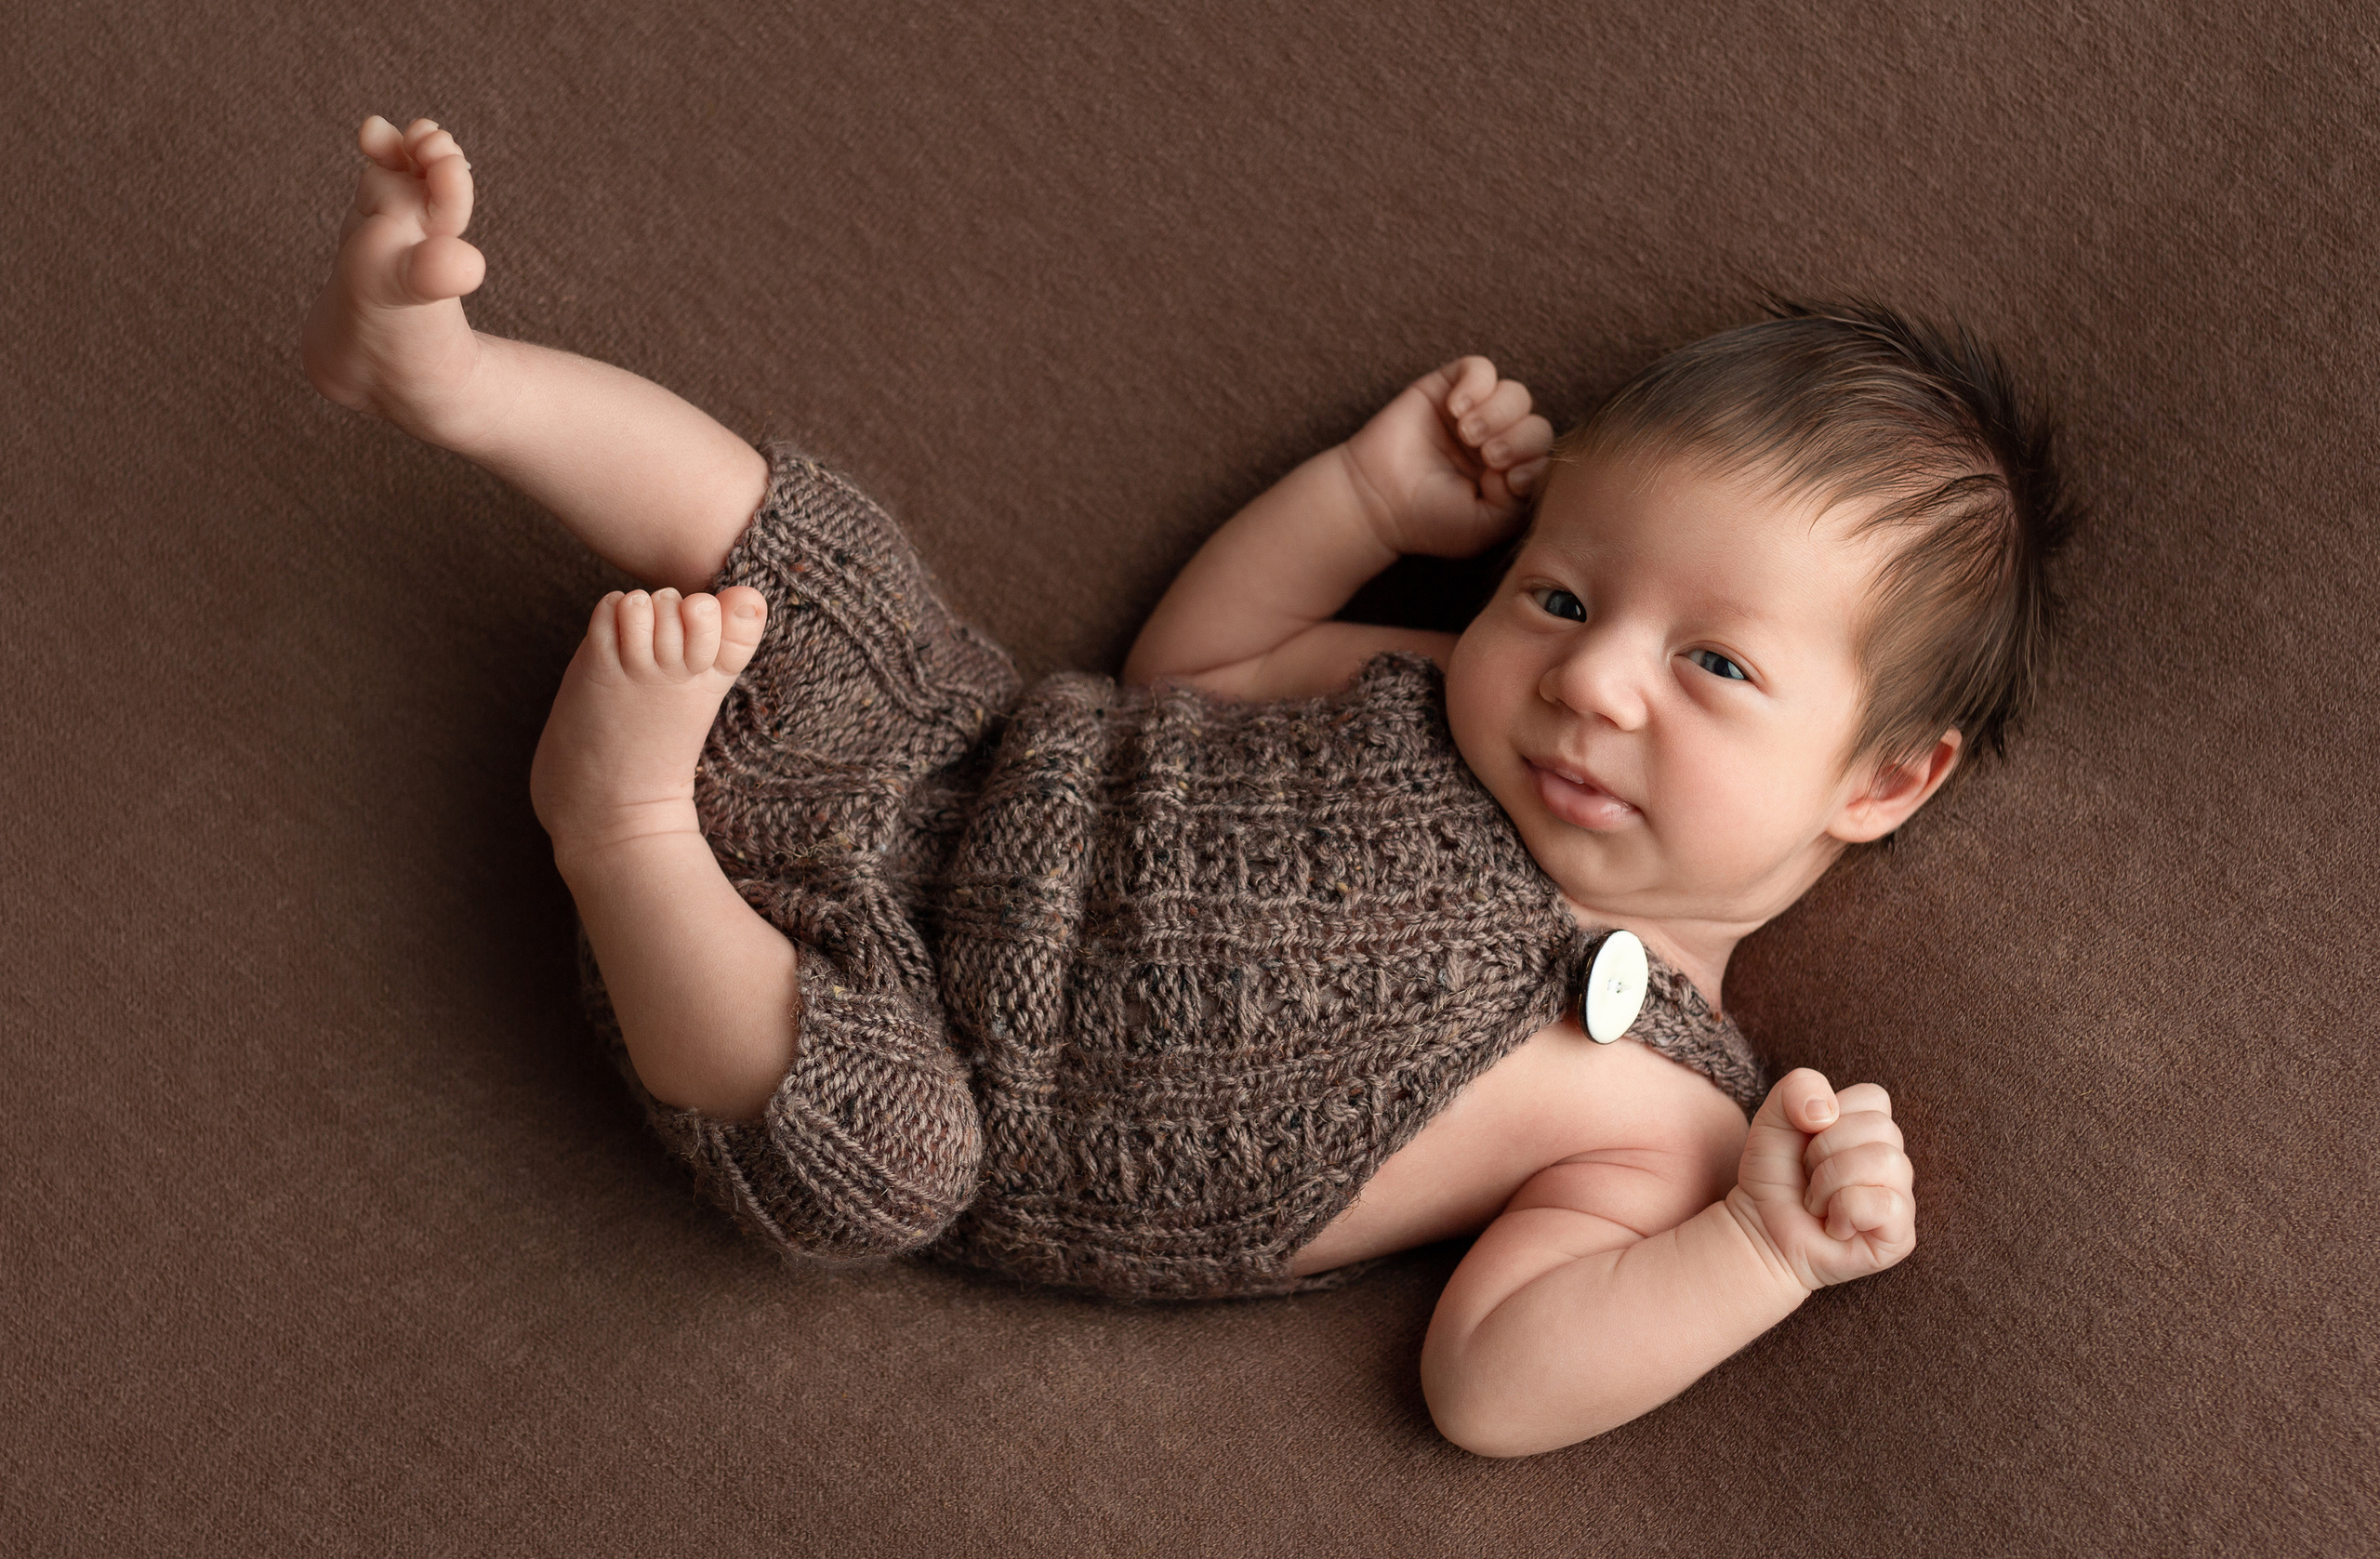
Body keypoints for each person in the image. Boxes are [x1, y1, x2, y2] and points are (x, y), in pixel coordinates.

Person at [304, 115, 2068, 1457]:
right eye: (1560, 592)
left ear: (1885, 780)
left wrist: (1760, 1251)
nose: (1591, 678)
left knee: (884, 1160)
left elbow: (1492, 1384)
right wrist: (1367, 502)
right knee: (825, 555)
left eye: (1718, 667)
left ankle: (621, 832)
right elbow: (1187, 675)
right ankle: (454, 376)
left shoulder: (1671, 1116)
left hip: (878, 1041)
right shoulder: (1418, 693)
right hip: (949, 753)